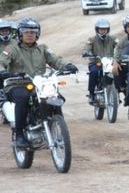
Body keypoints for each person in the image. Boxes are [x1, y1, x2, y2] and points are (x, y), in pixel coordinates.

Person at [0, 18, 78, 148]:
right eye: (26, 31)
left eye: (33, 31)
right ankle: (19, 135)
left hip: (40, 84)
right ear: (20, 33)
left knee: (54, 97)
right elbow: (2, 61)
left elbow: (56, 60)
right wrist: (3, 71)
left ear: (38, 34)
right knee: (23, 98)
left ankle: (58, 128)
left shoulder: (43, 49)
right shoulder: (12, 48)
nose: (30, 34)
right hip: (17, 84)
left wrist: (67, 65)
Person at [83, 18, 118, 104]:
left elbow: (118, 46)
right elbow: (87, 48)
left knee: (117, 72)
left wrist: (119, 54)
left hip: (109, 63)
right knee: (94, 72)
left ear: (108, 30)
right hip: (96, 62)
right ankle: (91, 94)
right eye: (101, 29)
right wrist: (87, 52)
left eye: (105, 29)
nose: (103, 31)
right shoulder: (91, 39)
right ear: (97, 29)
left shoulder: (113, 39)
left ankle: (116, 94)